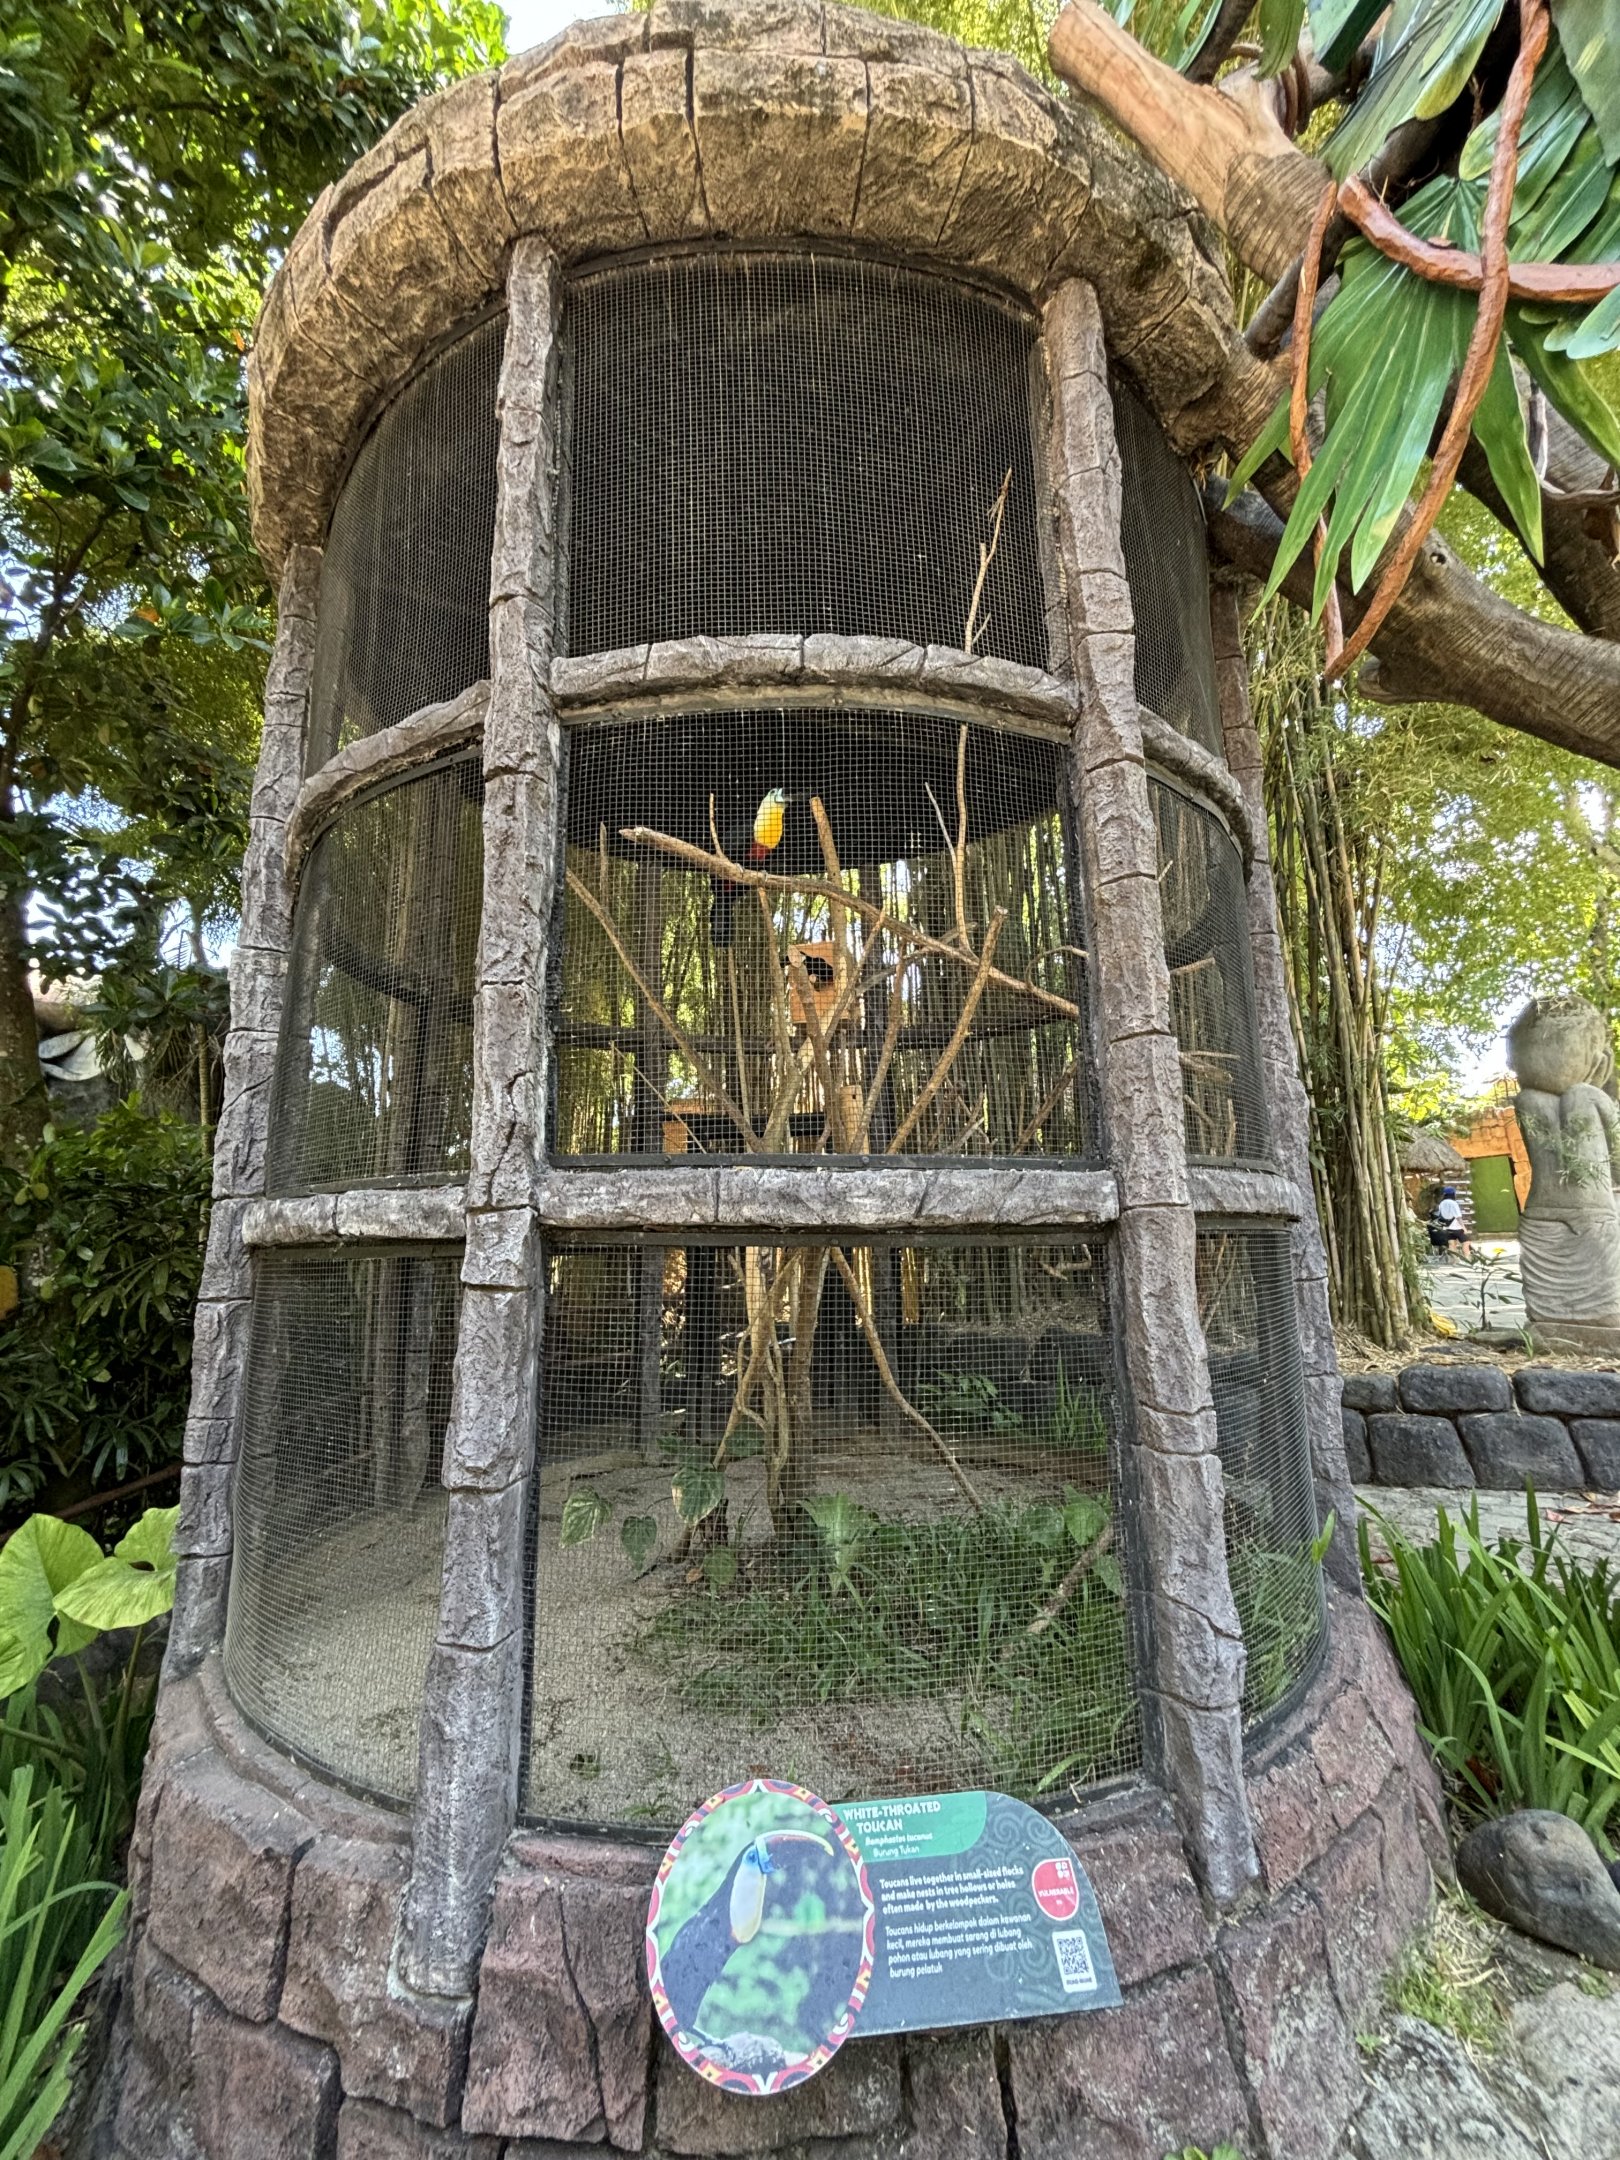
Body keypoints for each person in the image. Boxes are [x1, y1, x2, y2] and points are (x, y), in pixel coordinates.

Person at [1427, 1186, 1470, 1261]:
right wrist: (1463, 1227)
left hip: (1447, 1228)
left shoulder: (1442, 1203)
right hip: (1456, 1227)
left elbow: (1439, 1215)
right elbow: (1458, 1217)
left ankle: (1453, 1260)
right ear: (1453, 1194)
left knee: (1452, 1244)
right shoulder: (1453, 1203)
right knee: (1466, 1242)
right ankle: (1467, 1258)